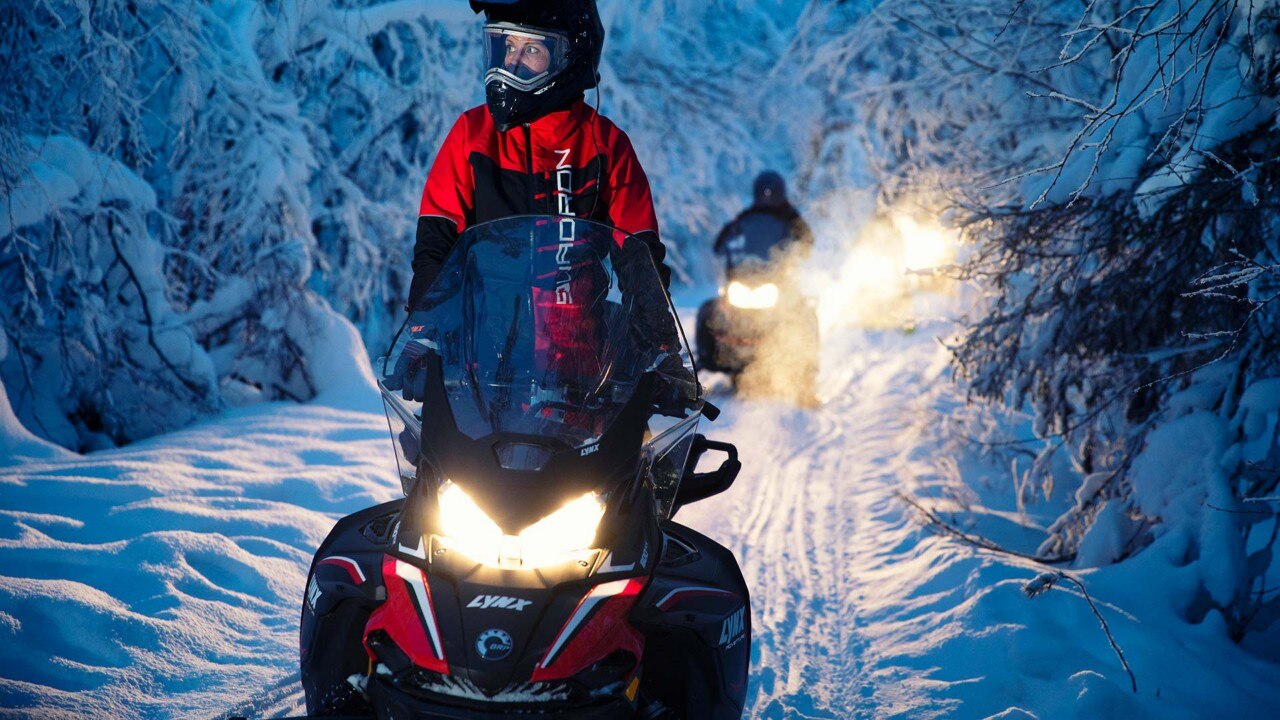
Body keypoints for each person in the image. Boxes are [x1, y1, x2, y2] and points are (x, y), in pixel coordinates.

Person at [398, 0, 694, 416]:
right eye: (505, 47)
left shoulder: (604, 145)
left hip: (582, 380)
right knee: (429, 469)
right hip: (479, 376)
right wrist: (422, 336)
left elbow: (640, 259)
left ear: (569, 56)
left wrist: (662, 350)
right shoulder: (471, 136)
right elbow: (435, 246)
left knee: (640, 469)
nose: (511, 64)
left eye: (531, 50)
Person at [713, 171, 813, 270]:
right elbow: (720, 244)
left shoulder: (790, 218)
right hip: (744, 274)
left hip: (778, 275)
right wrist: (729, 251)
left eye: (771, 193)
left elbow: (807, 238)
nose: (767, 197)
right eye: (763, 193)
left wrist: (800, 252)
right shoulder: (747, 218)